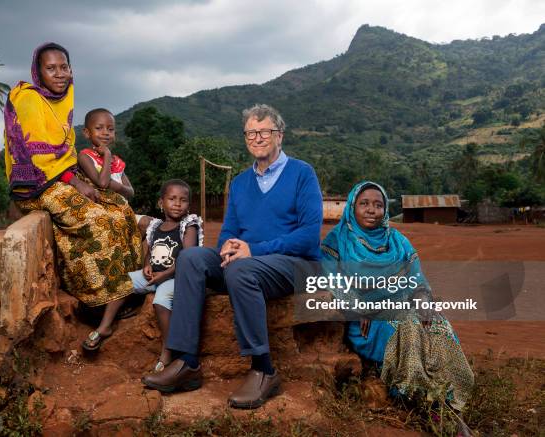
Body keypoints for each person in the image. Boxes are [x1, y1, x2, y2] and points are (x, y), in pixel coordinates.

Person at [142, 104, 323, 409]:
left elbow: (308, 236)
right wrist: (227, 250)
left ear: (279, 135)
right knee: (192, 258)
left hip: (297, 264)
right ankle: (187, 363)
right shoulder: (239, 183)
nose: (257, 138)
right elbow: (229, 231)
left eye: (264, 131)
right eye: (250, 132)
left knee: (242, 270)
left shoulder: (302, 174)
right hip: (249, 262)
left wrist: (253, 251)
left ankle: (264, 370)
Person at [3, 42, 142, 352]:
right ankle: (94, 302)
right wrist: (75, 183)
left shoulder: (63, 99)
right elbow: (36, 157)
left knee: (119, 208)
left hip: (62, 177)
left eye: (64, 67)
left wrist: (75, 180)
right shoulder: (28, 100)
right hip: (36, 186)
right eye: (51, 68)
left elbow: (63, 151)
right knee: (97, 221)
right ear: (38, 72)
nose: (60, 74)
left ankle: (125, 291)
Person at [320, 181, 474, 434]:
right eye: (364, 203)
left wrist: (424, 302)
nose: (372, 210)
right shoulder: (337, 240)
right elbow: (330, 279)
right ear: (352, 207)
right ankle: (427, 405)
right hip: (367, 319)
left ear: (385, 210)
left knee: (438, 325)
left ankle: (449, 401)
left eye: (378, 205)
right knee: (408, 329)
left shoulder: (398, 241)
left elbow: (417, 280)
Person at [129, 179, 203, 372]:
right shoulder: (156, 226)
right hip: (156, 275)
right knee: (123, 281)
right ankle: (107, 323)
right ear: (162, 202)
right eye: (172, 199)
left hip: (177, 278)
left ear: (189, 204)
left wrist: (162, 276)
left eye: (183, 200)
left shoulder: (189, 226)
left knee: (160, 301)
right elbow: (150, 252)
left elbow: (187, 258)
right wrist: (146, 266)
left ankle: (168, 349)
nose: (177, 204)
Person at [78, 107, 151, 236]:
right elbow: (103, 183)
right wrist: (106, 154)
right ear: (87, 133)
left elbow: (131, 192)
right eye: (99, 128)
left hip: (123, 211)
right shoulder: (85, 157)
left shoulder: (117, 162)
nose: (105, 132)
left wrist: (116, 186)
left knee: (151, 224)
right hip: (104, 213)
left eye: (110, 129)